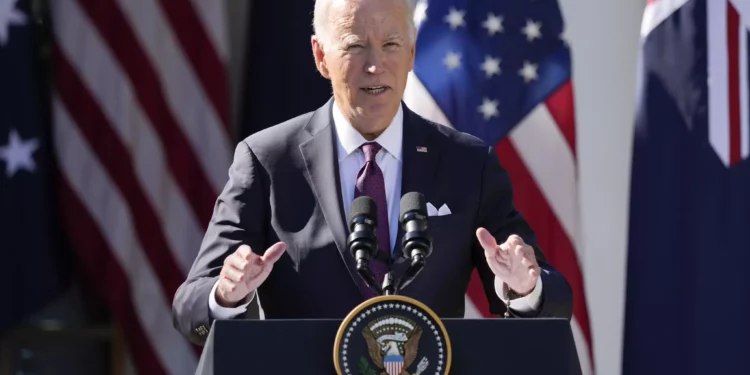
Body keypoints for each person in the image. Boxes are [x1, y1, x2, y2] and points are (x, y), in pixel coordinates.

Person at [172, 0, 573, 345]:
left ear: (413, 53)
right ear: (320, 55)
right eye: (355, 46)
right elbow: (189, 308)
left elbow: (553, 300)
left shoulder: (468, 163)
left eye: (391, 45)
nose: (375, 65)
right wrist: (225, 296)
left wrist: (525, 288)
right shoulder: (268, 161)